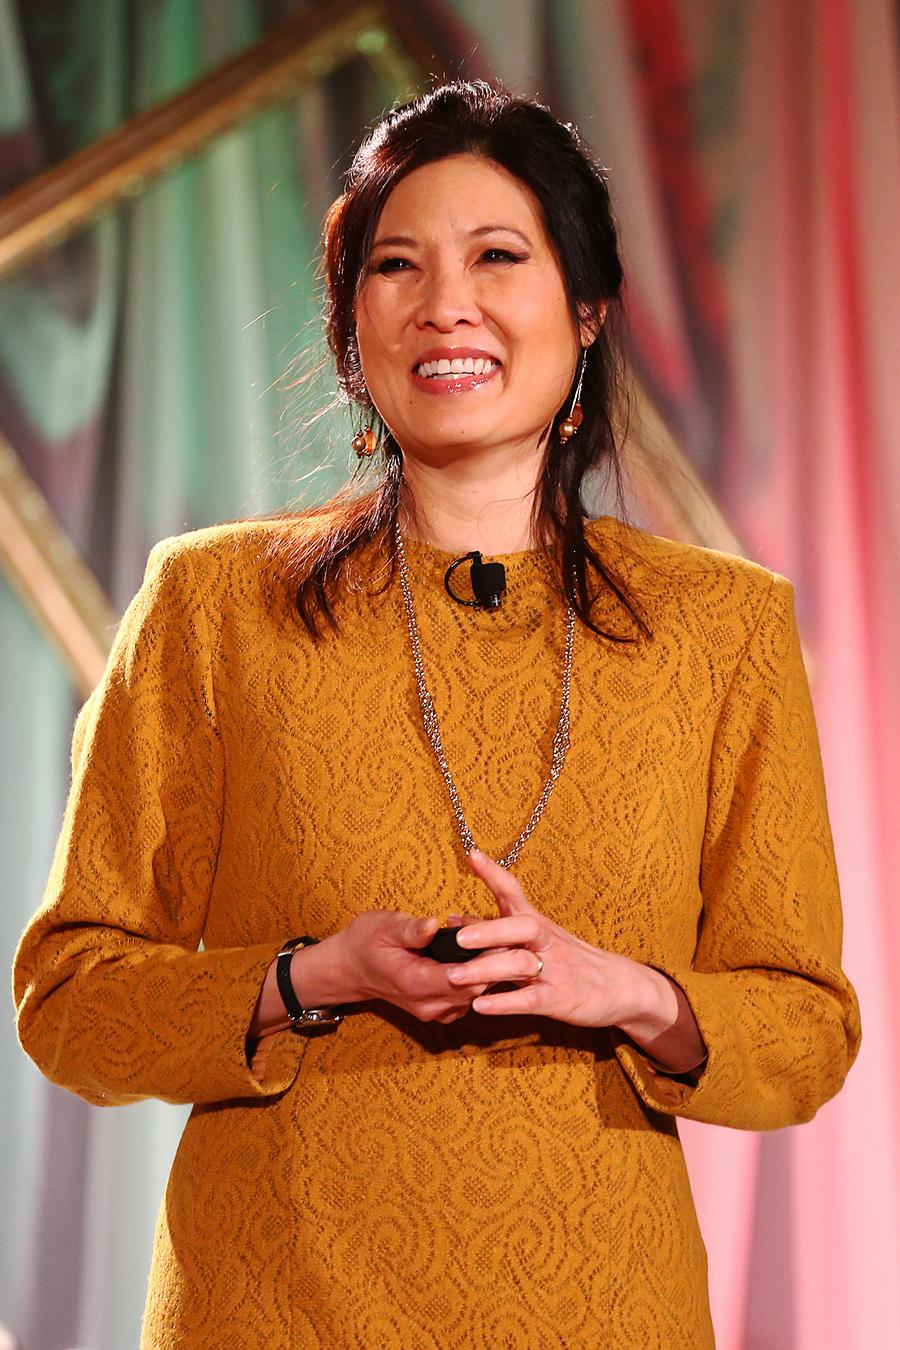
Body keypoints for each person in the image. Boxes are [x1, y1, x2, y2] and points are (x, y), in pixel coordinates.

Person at [13, 80, 861, 1348]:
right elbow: (69, 996)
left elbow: (805, 1027)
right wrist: (310, 978)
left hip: (602, 1311)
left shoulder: (721, 630)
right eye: (395, 265)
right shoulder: (209, 605)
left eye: (498, 257)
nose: (444, 302)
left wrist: (622, 991)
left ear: (585, 312)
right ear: (354, 331)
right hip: (274, 1305)